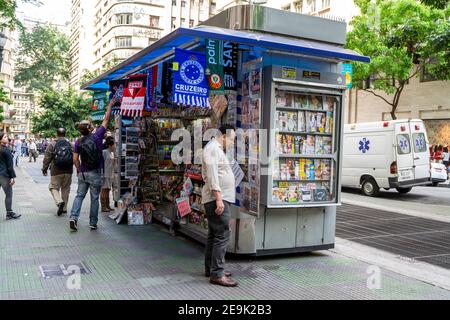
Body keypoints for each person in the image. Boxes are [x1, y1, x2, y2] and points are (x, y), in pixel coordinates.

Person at [69, 98, 115, 232]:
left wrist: (79, 170)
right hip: (96, 172)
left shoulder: (78, 142)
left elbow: (75, 158)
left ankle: (73, 217)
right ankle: (93, 223)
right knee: (94, 198)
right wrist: (110, 105)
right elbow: (106, 120)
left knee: (79, 196)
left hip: (83, 172)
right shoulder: (98, 136)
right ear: (89, 128)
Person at [202, 124, 238, 287]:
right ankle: (217, 273)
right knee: (222, 234)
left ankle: (212, 268)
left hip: (218, 197)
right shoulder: (213, 149)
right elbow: (212, 176)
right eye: (232, 139)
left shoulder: (215, 148)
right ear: (224, 136)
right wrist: (218, 198)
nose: (232, 143)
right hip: (216, 198)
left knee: (214, 234)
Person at [42, 128, 74, 216]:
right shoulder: (70, 143)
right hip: (68, 170)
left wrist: (44, 169)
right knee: (66, 189)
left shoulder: (52, 144)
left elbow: (47, 158)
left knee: (53, 187)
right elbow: (75, 156)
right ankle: (64, 208)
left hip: (56, 170)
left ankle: (59, 202)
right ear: (65, 134)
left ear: (57, 134)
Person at [0, 132, 21, 220]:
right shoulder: (6, 150)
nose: (7, 138)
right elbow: (9, 165)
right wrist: (12, 177)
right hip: (4, 175)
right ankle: (9, 213)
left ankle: (9, 213)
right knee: (9, 194)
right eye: (5, 137)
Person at [101, 137, 115, 212]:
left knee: (108, 189)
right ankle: (103, 206)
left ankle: (107, 205)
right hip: (105, 174)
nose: (115, 146)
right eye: (114, 145)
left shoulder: (112, 153)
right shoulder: (104, 152)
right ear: (110, 145)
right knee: (104, 190)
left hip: (110, 174)